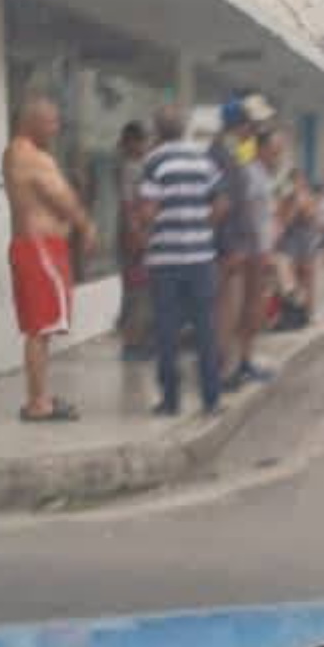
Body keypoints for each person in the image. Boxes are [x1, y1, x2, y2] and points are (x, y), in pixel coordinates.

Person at [2, 92, 98, 422]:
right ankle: (39, 403)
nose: (56, 129)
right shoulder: (31, 156)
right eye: (51, 122)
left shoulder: (18, 153)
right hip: (40, 249)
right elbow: (63, 197)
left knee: (39, 328)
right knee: (40, 329)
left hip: (34, 247)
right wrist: (85, 226)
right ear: (31, 122)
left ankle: (38, 397)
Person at [135, 105, 225, 417]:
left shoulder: (154, 161)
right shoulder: (204, 160)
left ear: (158, 130)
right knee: (205, 329)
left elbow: (148, 210)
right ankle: (211, 400)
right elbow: (221, 202)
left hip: (165, 260)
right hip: (201, 257)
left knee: (167, 331)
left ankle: (170, 401)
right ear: (185, 128)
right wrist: (202, 227)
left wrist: (148, 235)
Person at [210, 93, 273, 387]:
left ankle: (235, 366)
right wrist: (231, 245)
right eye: (250, 123)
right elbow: (224, 205)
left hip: (242, 246)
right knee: (227, 311)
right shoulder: (223, 155)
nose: (253, 129)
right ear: (240, 124)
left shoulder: (235, 153)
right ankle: (224, 371)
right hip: (231, 248)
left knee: (237, 309)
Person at [224, 128, 284, 390]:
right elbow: (245, 213)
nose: (278, 158)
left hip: (260, 252)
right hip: (251, 253)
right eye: (274, 152)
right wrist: (256, 249)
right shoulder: (250, 174)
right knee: (245, 309)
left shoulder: (263, 177)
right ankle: (235, 365)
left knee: (255, 310)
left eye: (279, 154)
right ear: (260, 149)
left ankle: (246, 361)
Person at [116, 121, 154, 361]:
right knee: (136, 291)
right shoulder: (132, 168)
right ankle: (132, 344)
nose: (145, 145)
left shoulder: (136, 166)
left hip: (138, 233)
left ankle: (136, 340)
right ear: (132, 143)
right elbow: (129, 206)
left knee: (138, 289)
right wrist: (137, 236)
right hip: (134, 236)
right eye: (142, 141)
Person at [276, 175, 322, 323]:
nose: (298, 187)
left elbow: (313, 218)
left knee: (308, 278)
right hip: (291, 242)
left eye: (300, 184)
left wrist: (304, 205)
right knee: (293, 277)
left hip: (306, 241)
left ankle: (309, 313)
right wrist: (295, 205)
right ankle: (297, 312)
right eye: (295, 184)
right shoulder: (285, 200)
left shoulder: (309, 198)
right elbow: (285, 220)